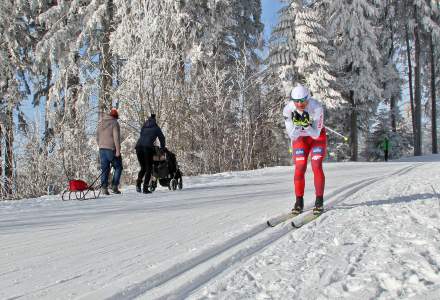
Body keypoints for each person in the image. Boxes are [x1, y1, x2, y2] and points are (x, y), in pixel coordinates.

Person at [283, 85, 326, 215]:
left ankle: (319, 201)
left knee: (316, 165)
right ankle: (299, 201)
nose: (300, 104)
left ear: (308, 98)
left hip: (316, 138)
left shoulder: (317, 108)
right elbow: (292, 136)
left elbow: (315, 134)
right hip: (300, 140)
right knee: (300, 167)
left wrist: (306, 125)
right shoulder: (288, 110)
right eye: (296, 101)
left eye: (303, 100)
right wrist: (297, 126)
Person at [135, 114, 166, 193]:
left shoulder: (144, 127)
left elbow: (142, 136)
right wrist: (162, 148)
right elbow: (162, 138)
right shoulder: (156, 128)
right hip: (147, 148)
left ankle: (138, 185)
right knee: (149, 168)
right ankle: (145, 189)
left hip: (138, 147)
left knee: (143, 168)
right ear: (154, 120)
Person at [97, 108, 123, 195]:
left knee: (105, 169)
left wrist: (100, 145)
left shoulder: (101, 122)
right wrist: (118, 151)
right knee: (118, 167)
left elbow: (97, 136)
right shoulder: (114, 123)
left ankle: (104, 188)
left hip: (101, 149)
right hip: (111, 149)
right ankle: (114, 185)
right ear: (115, 117)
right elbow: (116, 137)